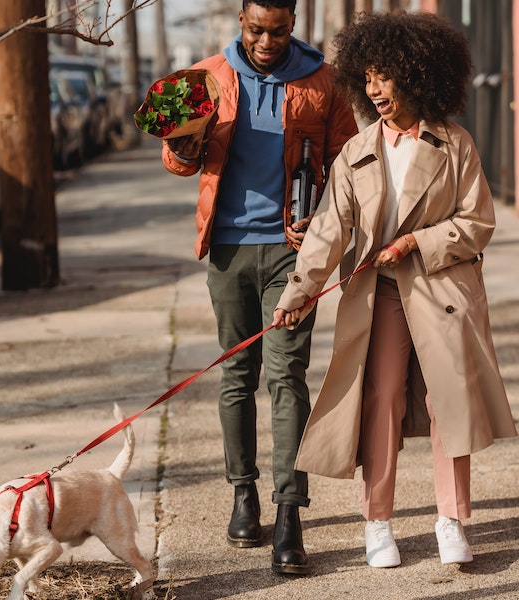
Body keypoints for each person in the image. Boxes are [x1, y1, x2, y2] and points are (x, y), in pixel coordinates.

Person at [273, 10, 517, 569]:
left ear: (417, 74)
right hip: (378, 294)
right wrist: (295, 295)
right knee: (380, 401)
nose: (374, 89)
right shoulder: (356, 151)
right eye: (368, 78)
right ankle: (377, 524)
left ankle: (450, 520)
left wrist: (415, 243)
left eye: (385, 76)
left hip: (439, 290)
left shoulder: (454, 144)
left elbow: (477, 222)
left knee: (444, 404)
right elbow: (327, 234)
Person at [161, 0, 357, 574]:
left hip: (291, 254)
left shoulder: (323, 81)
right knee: (237, 374)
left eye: (277, 30)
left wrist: (319, 215)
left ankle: (289, 513)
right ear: (239, 23)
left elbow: (345, 159)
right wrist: (183, 143)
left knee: (287, 375)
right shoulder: (205, 78)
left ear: (294, 25)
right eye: (255, 30)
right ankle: (243, 493)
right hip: (226, 249)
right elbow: (177, 164)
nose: (266, 41)